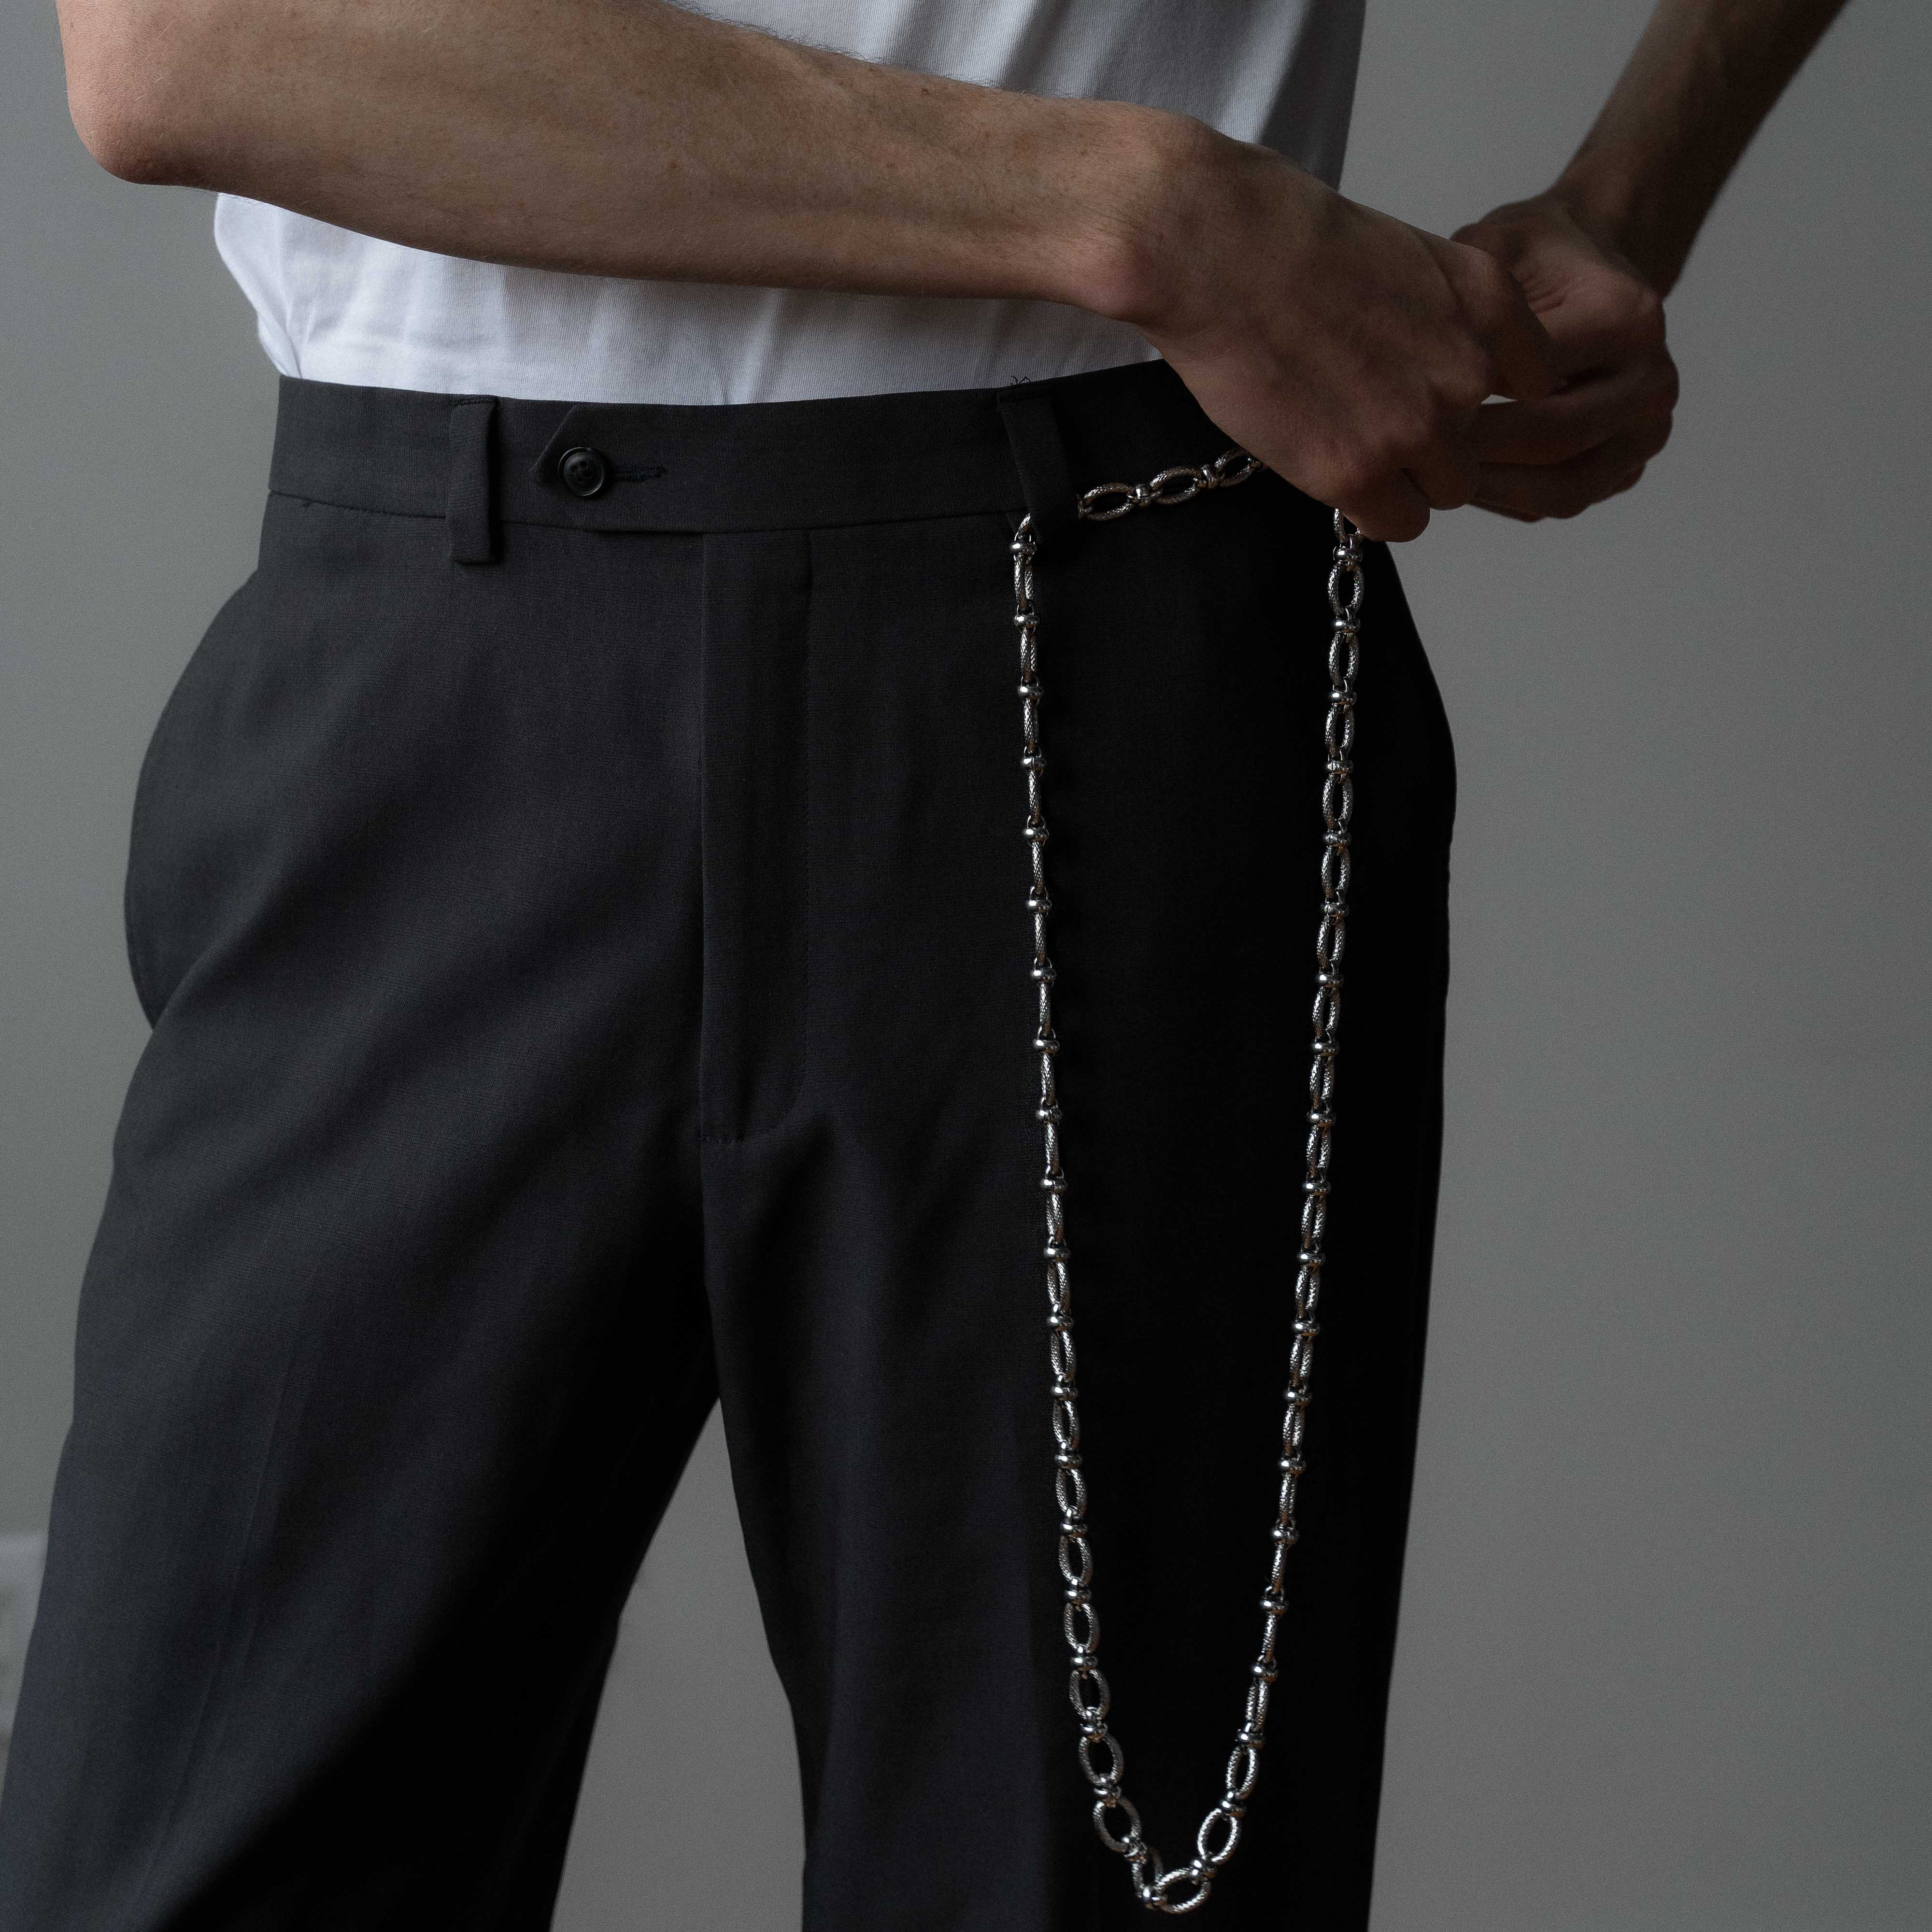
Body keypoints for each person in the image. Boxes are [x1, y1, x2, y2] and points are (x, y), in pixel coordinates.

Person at [0, 1, 1847, 1926]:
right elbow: (197, 48)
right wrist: (1141, 203)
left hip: (1115, 636)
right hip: (437, 663)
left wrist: (1624, 198)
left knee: (1090, 1878)